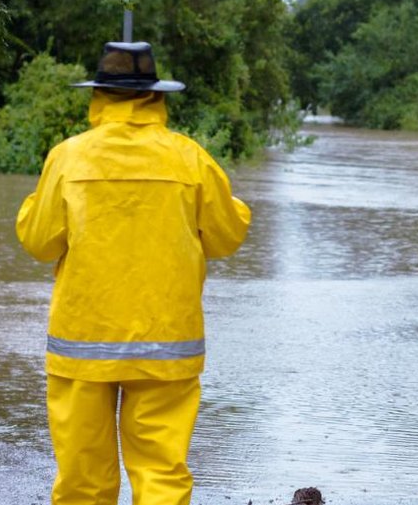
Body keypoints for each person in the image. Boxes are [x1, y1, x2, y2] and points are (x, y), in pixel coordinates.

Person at [16, 41, 251, 505]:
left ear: (99, 96)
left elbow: (38, 242)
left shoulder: (68, 158)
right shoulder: (190, 159)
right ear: (155, 96)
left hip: (82, 344)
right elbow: (227, 236)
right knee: (161, 477)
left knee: (82, 484)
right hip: (166, 346)